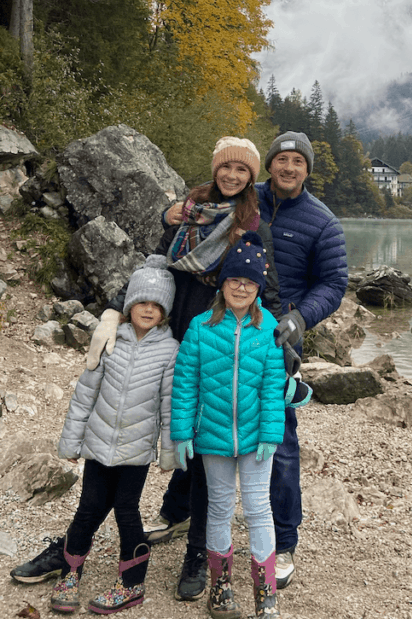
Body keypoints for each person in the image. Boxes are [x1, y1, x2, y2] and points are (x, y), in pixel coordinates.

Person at [10, 136, 275, 604]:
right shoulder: (187, 211)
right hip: (171, 333)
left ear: (253, 177)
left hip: (213, 341)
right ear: (215, 170)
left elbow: (260, 286)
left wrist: (281, 336)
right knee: (125, 438)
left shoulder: (253, 223)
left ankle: (197, 553)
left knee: (200, 452)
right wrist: (117, 309)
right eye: (226, 168)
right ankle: (75, 549)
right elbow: (154, 266)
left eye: (242, 171)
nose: (232, 176)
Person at [50, 257, 178, 615]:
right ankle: (70, 573)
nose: (148, 309)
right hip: (97, 445)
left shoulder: (170, 351)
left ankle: (131, 584)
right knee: (87, 510)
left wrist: (168, 453)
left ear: (165, 311)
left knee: (127, 512)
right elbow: (84, 395)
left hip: (135, 453)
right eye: (141, 302)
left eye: (156, 305)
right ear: (129, 306)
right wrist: (71, 442)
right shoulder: (110, 340)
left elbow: (169, 407)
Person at [171, 235, 285, 619]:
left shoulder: (269, 329)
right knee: (218, 509)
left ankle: (264, 589)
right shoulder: (200, 328)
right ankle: (221, 587)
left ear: (258, 288)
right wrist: (182, 432)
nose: (241, 287)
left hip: (256, 440)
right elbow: (184, 386)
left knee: (258, 509)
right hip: (213, 437)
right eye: (235, 279)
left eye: (250, 282)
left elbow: (273, 387)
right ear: (223, 283)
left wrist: (271, 432)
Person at [256, 131, 348, 589]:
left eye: (298, 161)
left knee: (280, 441)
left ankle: (284, 539)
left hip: (280, 343)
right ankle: (180, 513)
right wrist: (167, 211)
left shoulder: (322, 222)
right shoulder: (243, 201)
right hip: (228, 335)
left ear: (307, 170)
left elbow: (334, 284)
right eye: (282, 159)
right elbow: (194, 223)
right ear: (269, 163)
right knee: (206, 421)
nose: (289, 168)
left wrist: (300, 317)